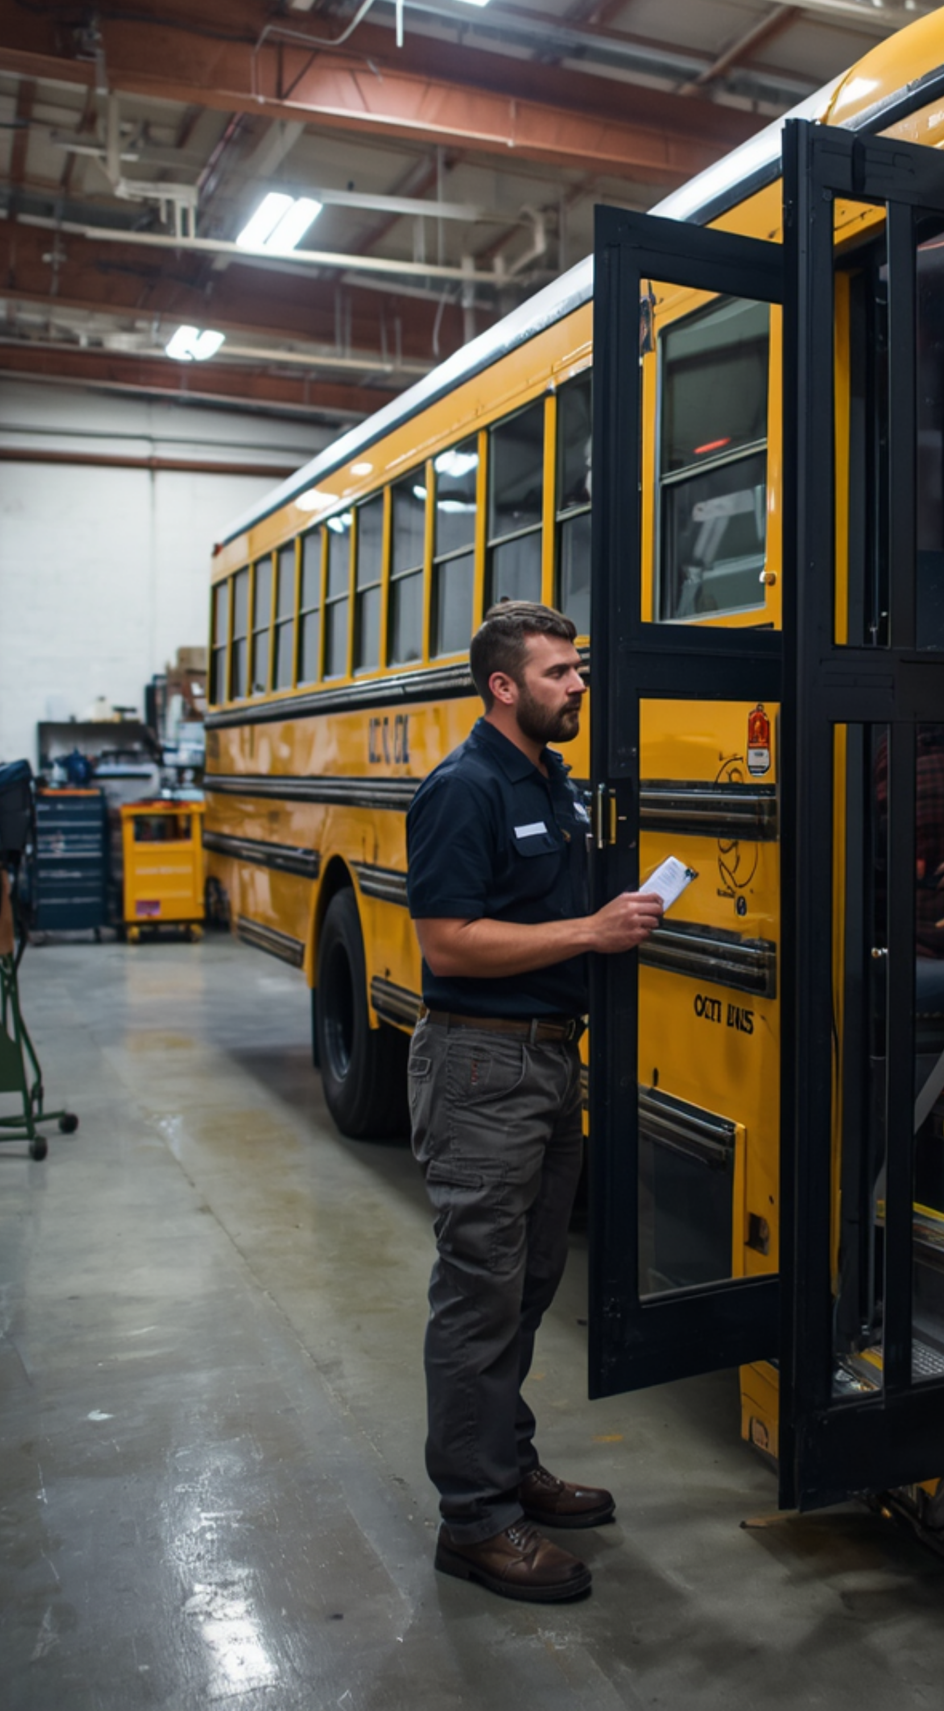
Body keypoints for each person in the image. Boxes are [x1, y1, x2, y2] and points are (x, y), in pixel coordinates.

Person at [405, 601, 663, 1604]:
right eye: (560, 673)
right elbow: (448, 942)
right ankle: (473, 1524)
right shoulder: (463, 790)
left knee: (529, 1284)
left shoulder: (553, 784)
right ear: (503, 687)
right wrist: (588, 937)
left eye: (579, 670)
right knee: (478, 1297)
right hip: (482, 1068)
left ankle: (507, 1467)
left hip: (547, 1065)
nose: (580, 687)